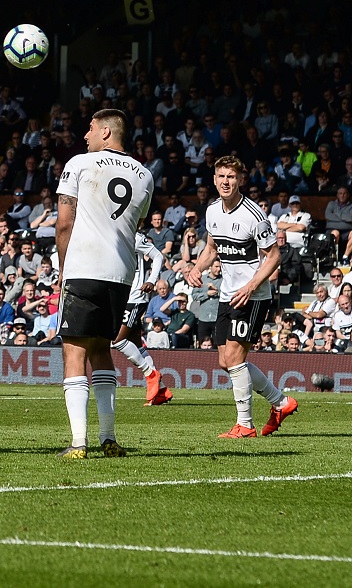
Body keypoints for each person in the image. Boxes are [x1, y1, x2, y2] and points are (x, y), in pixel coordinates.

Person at [53, 108, 155, 458]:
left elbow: (64, 222)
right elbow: (135, 225)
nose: (86, 135)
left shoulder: (80, 164)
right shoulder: (145, 175)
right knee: (101, 350)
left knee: (74, 353)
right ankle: (108, 438)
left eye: (91, 129)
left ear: (106, 132)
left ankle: (78, 442)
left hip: (84, 266)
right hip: (121, 273)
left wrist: (63, 267)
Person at [182, 155, 299, 439]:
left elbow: (274, 256)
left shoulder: (254, 216)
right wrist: (196, 268)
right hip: (227, 294)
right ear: (214, 179)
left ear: (240, 180)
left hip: (253, 296)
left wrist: (251, 286)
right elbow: (212, 248)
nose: (225, 181)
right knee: (225, 361)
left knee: (235, 357)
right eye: (221, 176)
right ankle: (281, 402)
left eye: (231, 177)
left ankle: (245, 424)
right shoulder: (212, 211)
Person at [109, 228, 173, 405]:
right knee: (136, 342)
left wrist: (152, 280)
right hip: (122, 295)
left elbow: (159, 256)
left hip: (135, 296)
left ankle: (150, 374)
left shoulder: (134, 237)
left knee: (118, 340)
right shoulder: (109, 234)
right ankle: (161, 391)